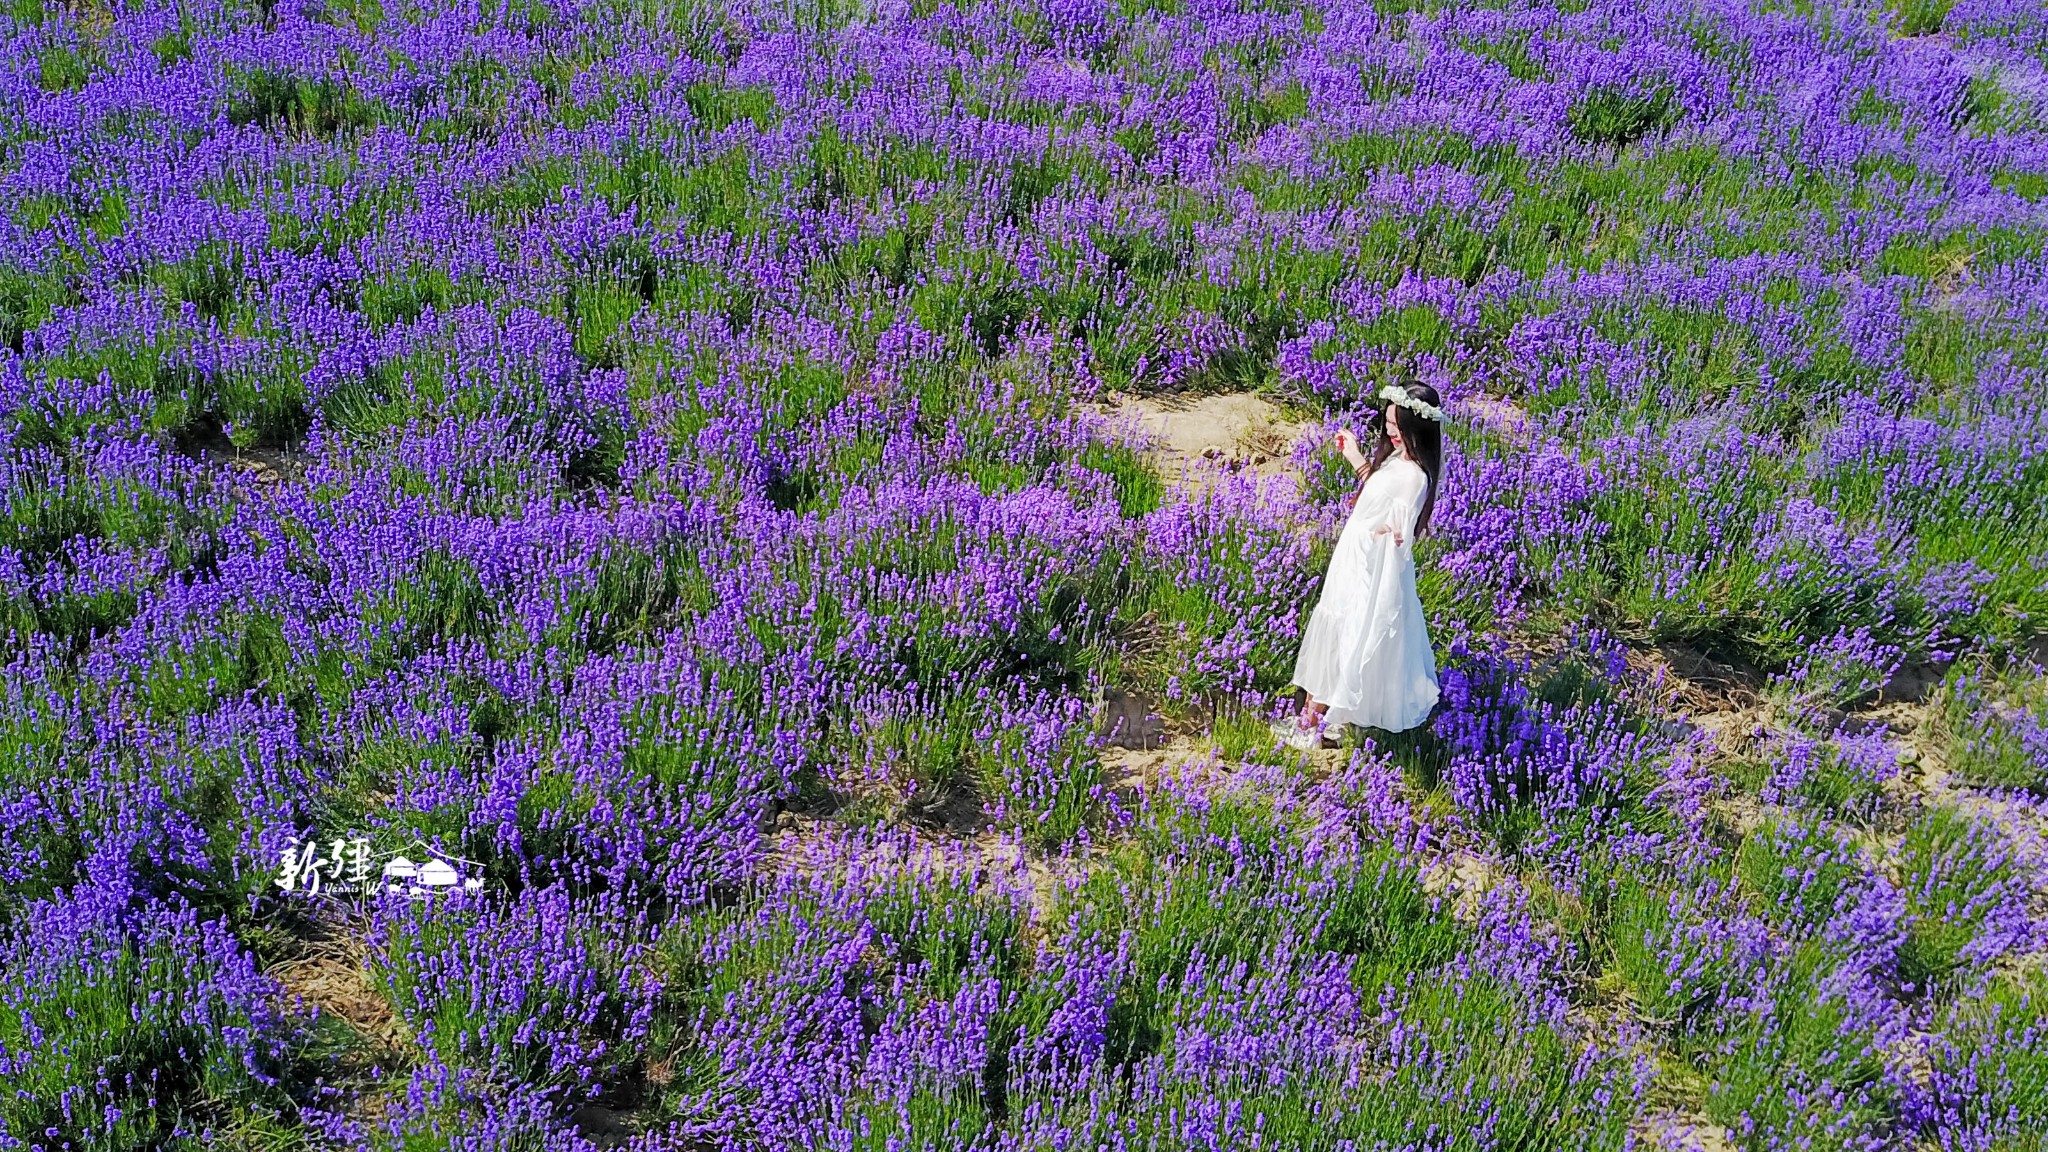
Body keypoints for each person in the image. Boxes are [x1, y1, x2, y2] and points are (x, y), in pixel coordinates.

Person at [1277, 381, 1446, 751]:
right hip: (1355, 555)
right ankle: (1326, 717)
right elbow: (1375, 494)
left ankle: (1311, 724)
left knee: (1348, 637)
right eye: (1387, 422)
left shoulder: (1416, 476)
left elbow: (1403, 526)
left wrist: (1392, 531)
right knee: (1338, 631)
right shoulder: (1395, 462)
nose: (1390, 431)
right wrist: (1355, 457)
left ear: (1417, 429)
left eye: (1397, 426)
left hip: (1373, 565)